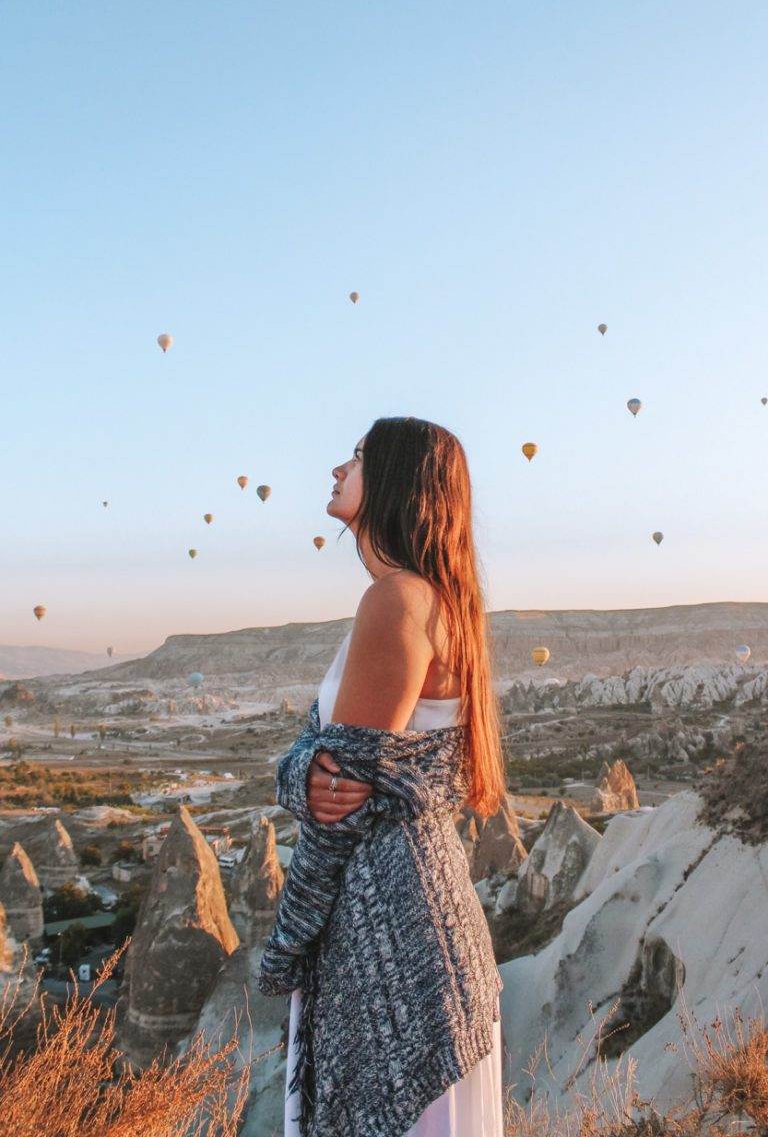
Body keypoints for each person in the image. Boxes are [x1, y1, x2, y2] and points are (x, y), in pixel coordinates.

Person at [282, 416, 507, 1136]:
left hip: (395, 929)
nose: (336, 469)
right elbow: (336, 778)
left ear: (397, 480)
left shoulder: (397, 599)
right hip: (419, 920)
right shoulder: (433, 599)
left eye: (354, 457)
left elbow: (340, 791)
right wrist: (301, 775)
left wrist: (292, 933)